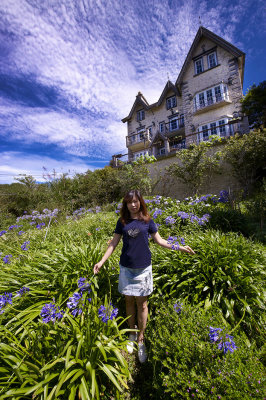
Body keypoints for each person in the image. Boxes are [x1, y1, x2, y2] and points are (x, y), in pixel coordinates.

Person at [93, 189, 195, 363]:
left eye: (136, 201)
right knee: (128, 301)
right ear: (125, 204)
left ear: (140, 202)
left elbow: (160, 241)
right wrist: (101, 261)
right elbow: (113, 244)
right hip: (126, 268)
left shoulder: (148, 221)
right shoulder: (122, 222)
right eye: (129, 202)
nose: (133, 205)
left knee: (142, 304)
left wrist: (180, 248)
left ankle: (141, 339)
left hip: (143, 270)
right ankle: (132, 334)